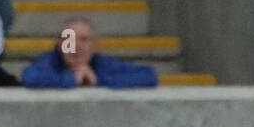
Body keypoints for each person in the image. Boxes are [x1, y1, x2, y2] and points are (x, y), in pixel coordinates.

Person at [21, 16, 158, 89]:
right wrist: (72, 79)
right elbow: (30, 77)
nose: (76, 46)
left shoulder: (101, 63)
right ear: (59, 44)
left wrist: (98, 80)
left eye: (84, 40)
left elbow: (149, 75)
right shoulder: (49, 61)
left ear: (94, 46)